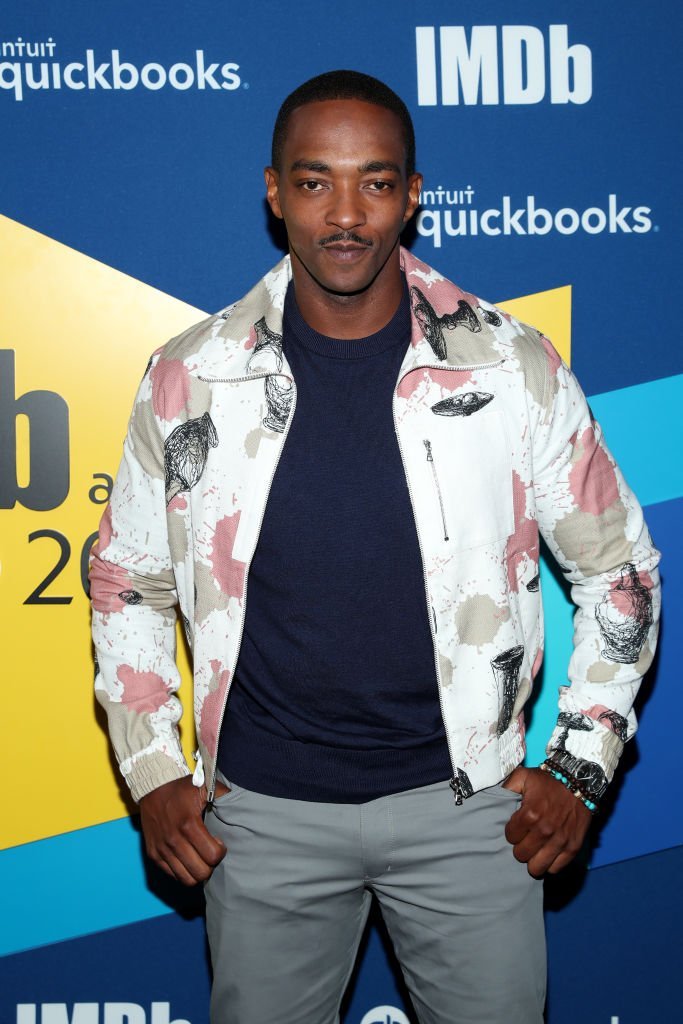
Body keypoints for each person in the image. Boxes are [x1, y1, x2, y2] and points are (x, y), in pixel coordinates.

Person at [90, 70, 661, 1024]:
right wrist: (150, 766)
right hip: (261, 815)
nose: (345, 214)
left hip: (471, 812)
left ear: (413, 193)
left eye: (375, 182)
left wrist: (577, 765)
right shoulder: (191, 376)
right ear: (273, 192)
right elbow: (127, 584)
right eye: (315, 182)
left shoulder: (509, 366)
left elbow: (618, 573)